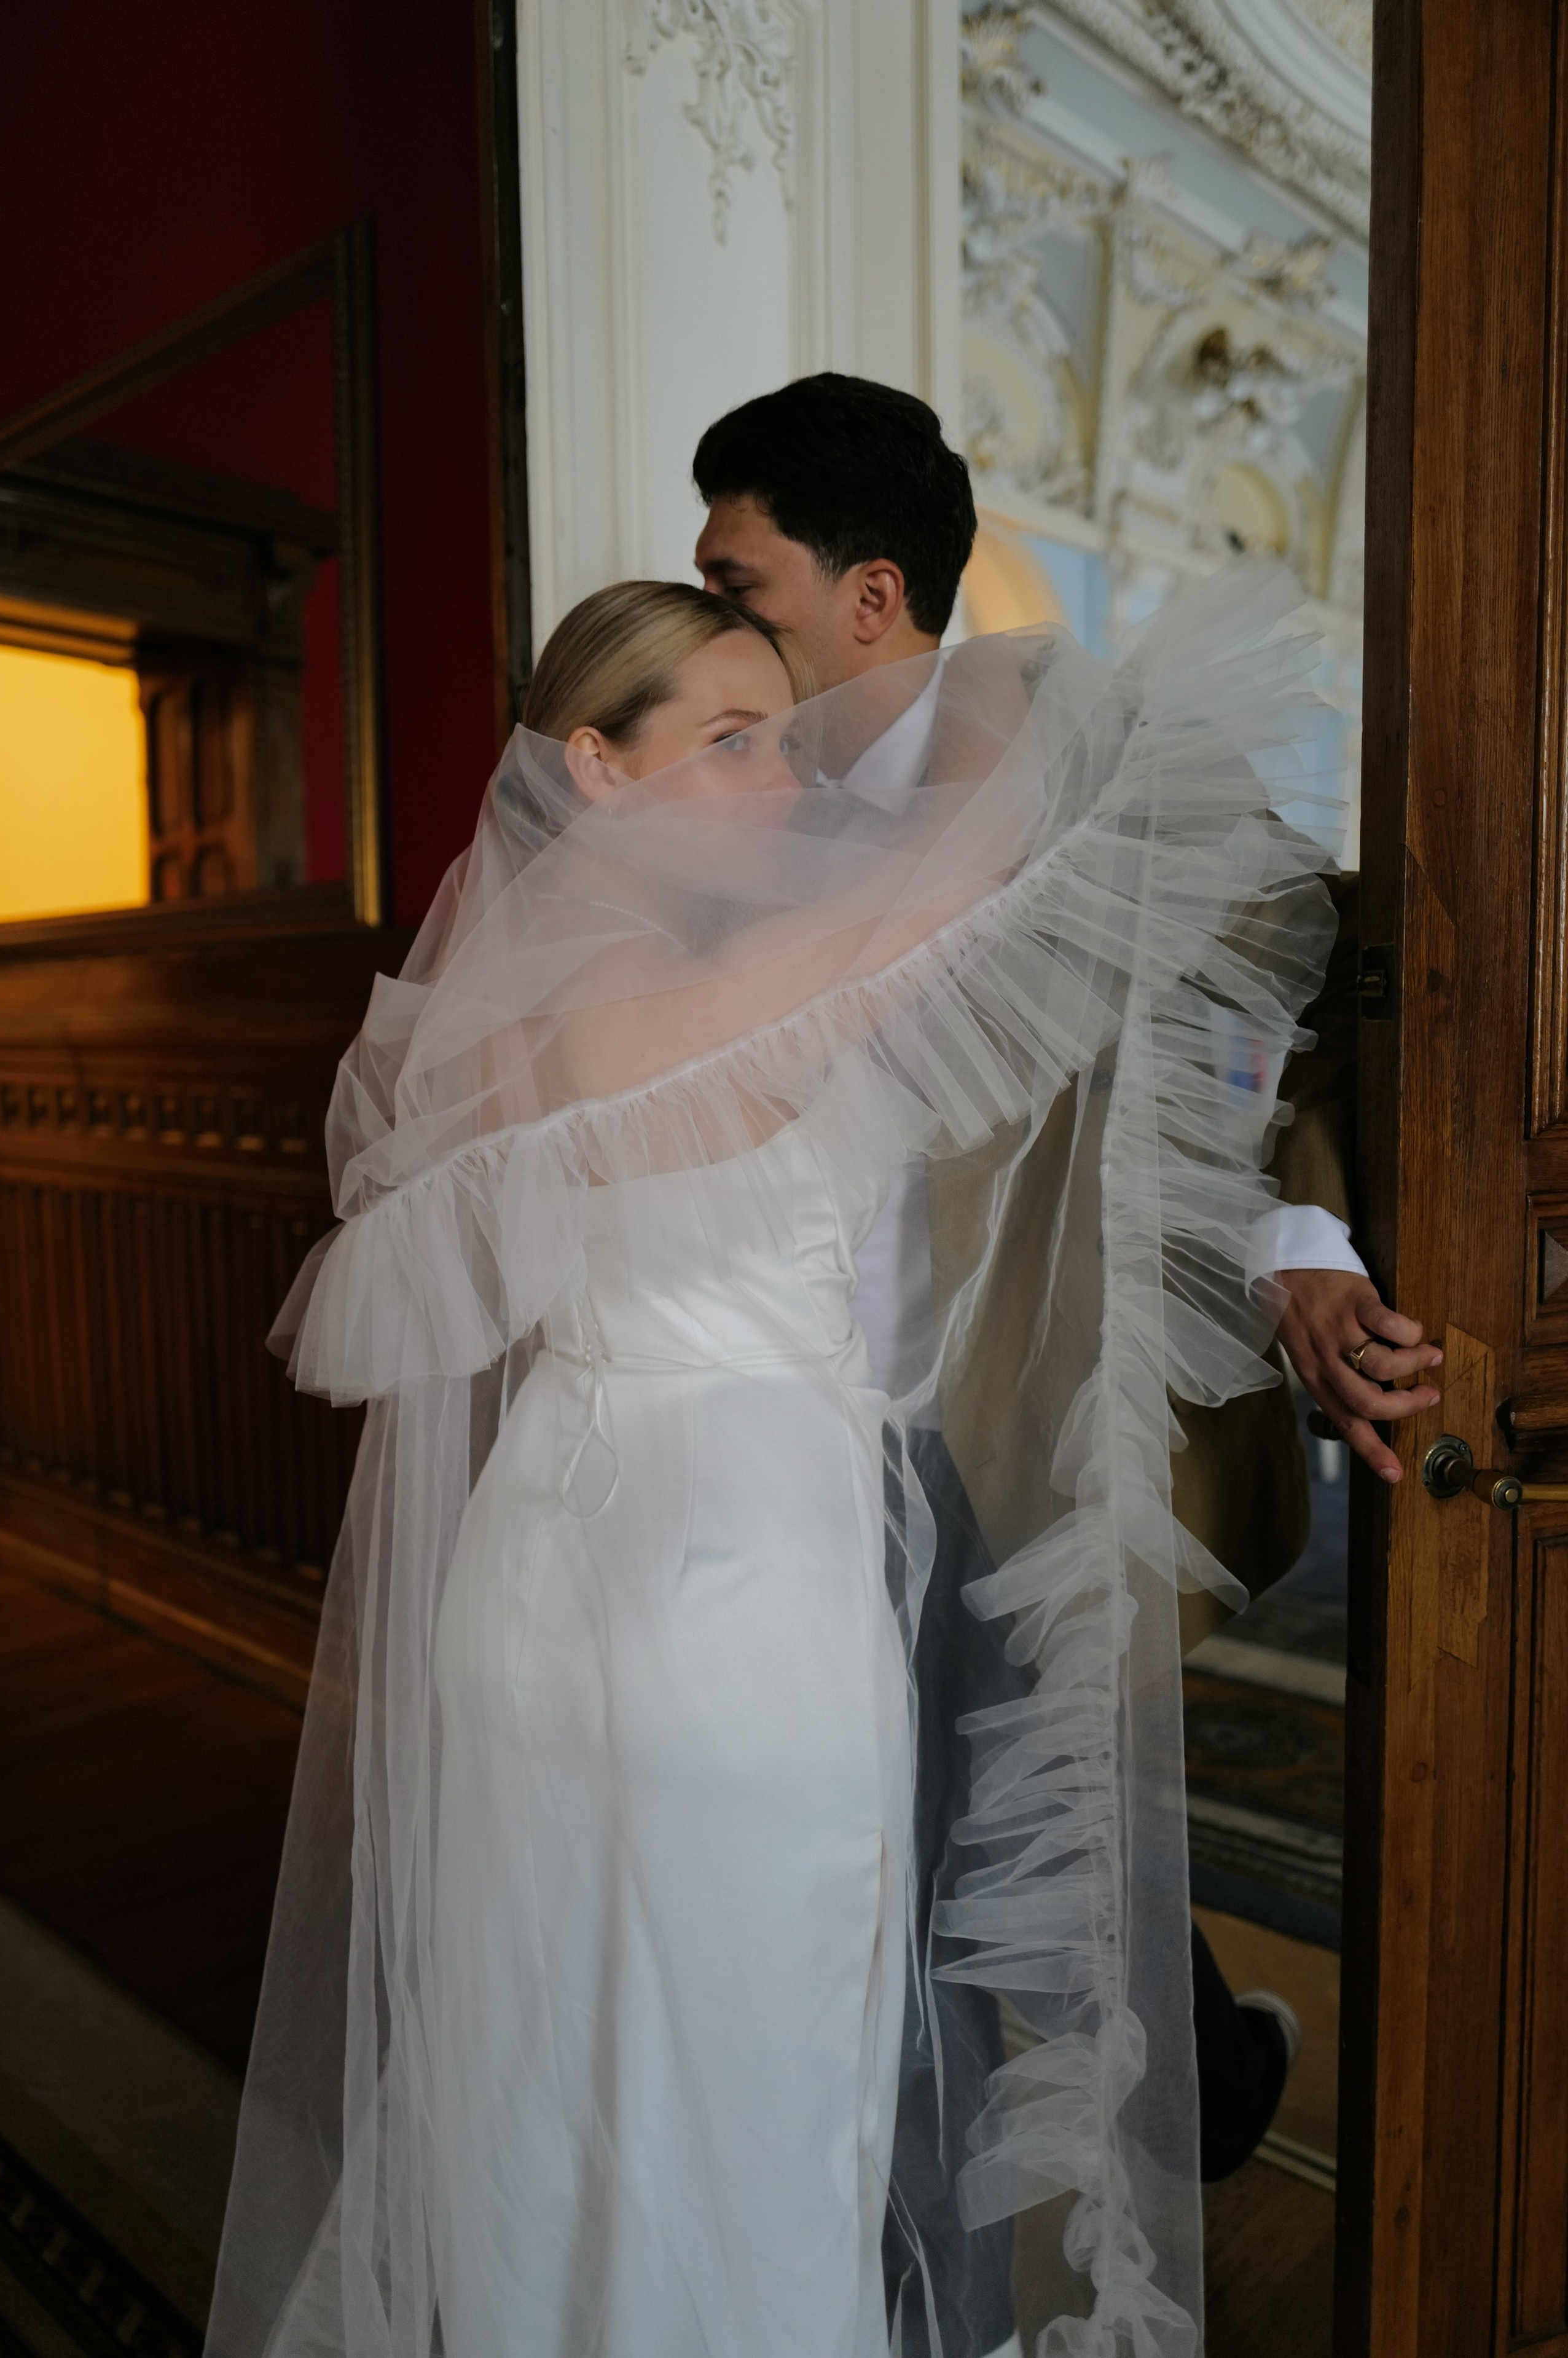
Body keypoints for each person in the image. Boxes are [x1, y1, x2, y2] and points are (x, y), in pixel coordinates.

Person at [210, 556, 1387, 2358]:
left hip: (561, 1567)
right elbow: (966, 860)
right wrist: (1009, 684)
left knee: (563, 2068)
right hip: (725, 1605)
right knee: (753, 2079)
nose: (796, 778)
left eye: (794, 736)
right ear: (595, 768)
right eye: (742, 740)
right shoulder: (687, 994)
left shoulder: (547, 1005)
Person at [692, 372, 1441, 2333]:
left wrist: (1282, 1240)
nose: (708, 611)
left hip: (1031, 1405)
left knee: (1019, 1821)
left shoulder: (1092, 749)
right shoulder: (734, 772)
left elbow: (1274, 962)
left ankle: (1069, 2192)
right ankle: (925, 2259)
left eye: (738, 574)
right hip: (785, 1421)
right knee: (911, 1858)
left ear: (869, 596)